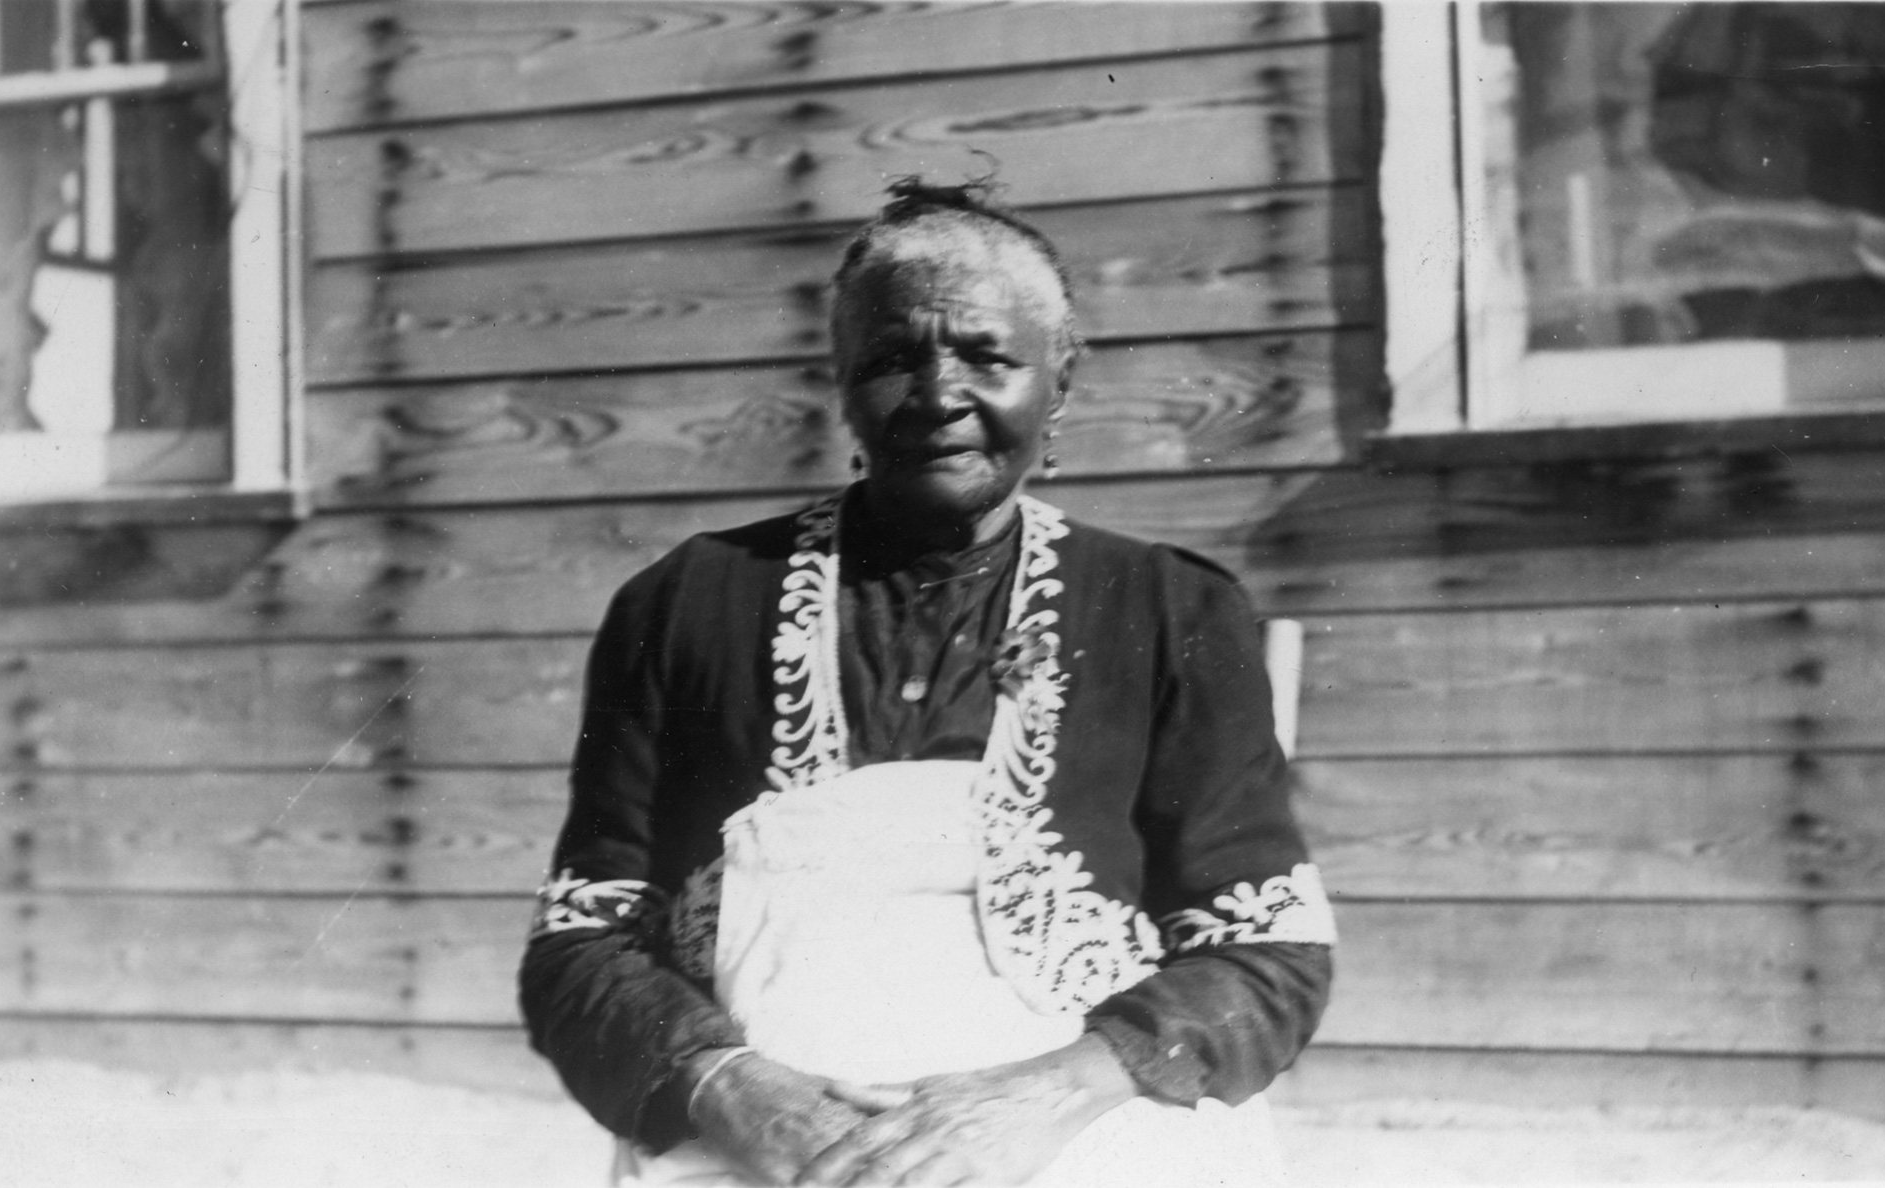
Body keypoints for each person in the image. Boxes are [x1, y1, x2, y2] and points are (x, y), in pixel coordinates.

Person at [519, 180, 1335, 1187]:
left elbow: (1269, 952)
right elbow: (579, 942)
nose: (941, 393)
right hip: (763, 1136)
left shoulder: (1168, 611)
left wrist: (1046, 1097)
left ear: (1060, 381)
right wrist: (723, 1086)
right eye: (895, 358)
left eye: (989, 356)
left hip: (1077, 1119)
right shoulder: (685, 604)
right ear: (844, 385)